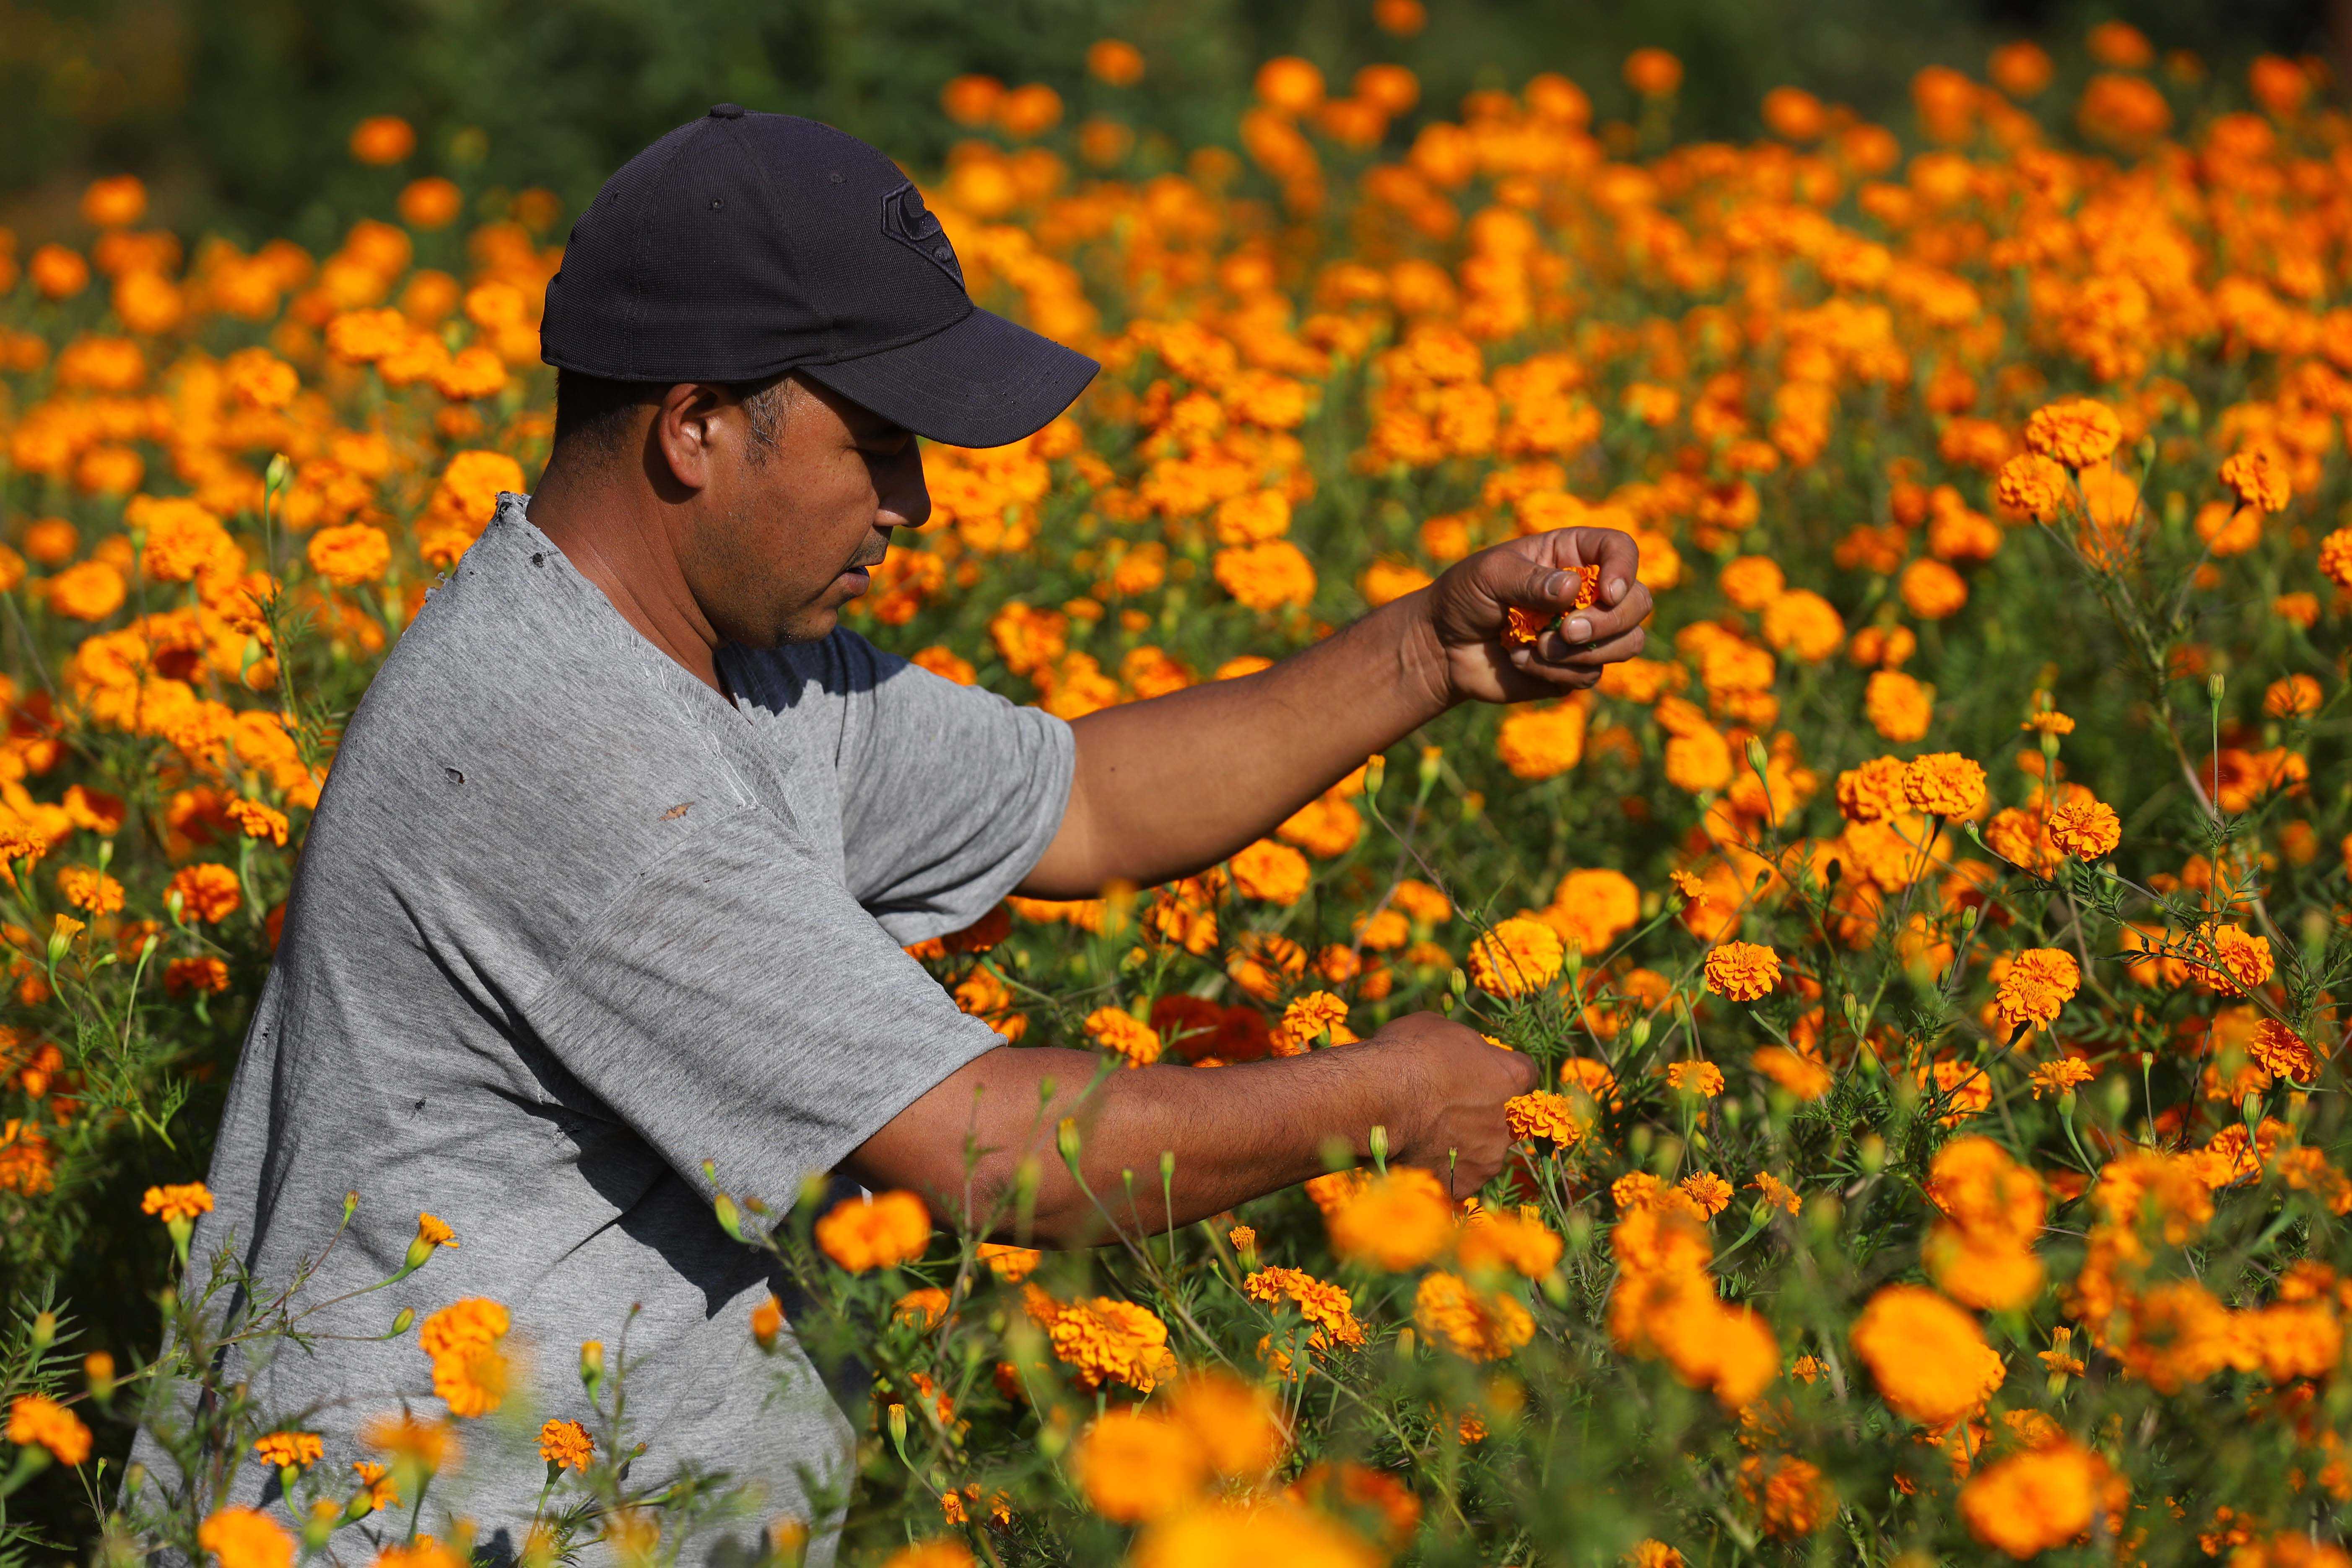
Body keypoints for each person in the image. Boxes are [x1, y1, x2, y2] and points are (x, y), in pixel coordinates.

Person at [156, 107, 1652, 1559]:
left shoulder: (728, 661)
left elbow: (1088, 798)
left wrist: (1426, 655)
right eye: (877, 445)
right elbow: (1007, 1161)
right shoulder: (568, 743)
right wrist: (1384, 1092)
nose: (913, 504)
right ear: (694, 428)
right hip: (425, 1535)